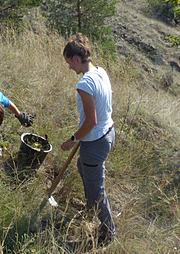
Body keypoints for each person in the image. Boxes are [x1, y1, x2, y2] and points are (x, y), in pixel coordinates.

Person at [60, 34, 116, 245]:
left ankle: (108, 234)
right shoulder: (101, 72)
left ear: (75, 59)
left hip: (95, 141)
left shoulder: (84, 84)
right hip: (108, 133)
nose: (69, 68)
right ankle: (91, 205)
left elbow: (90, 122)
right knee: (83, 167)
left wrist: (73, 139)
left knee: (97, 191)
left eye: (68, 63)